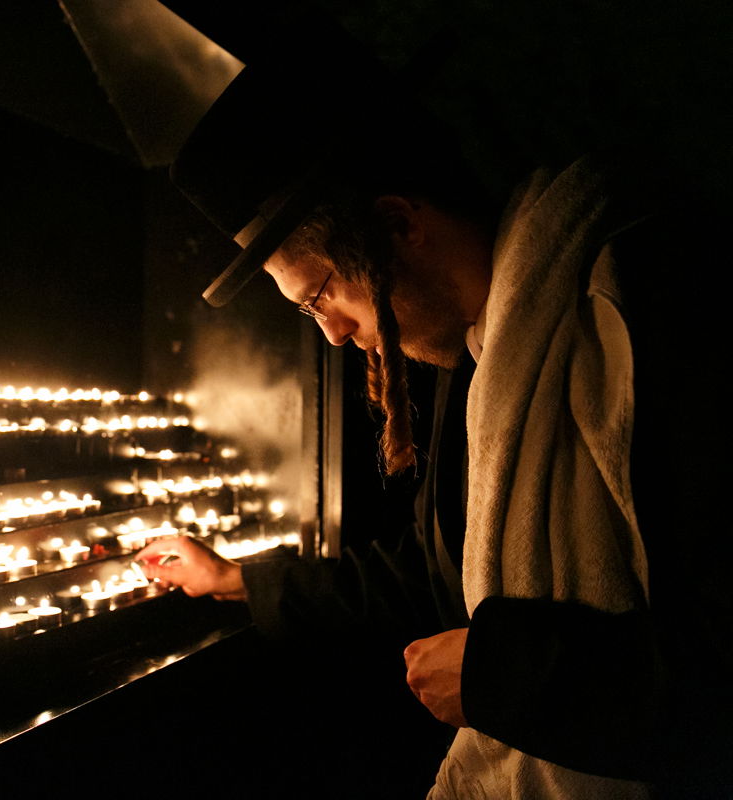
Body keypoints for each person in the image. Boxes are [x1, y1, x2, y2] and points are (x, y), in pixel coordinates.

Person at [137, 39, 733, 799]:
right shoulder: (485, 354)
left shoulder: (648, 308)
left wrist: (502, 678)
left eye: (321, 296)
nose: (334, 334)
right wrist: (238, 581)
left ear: (397, 226)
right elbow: (433, 562)